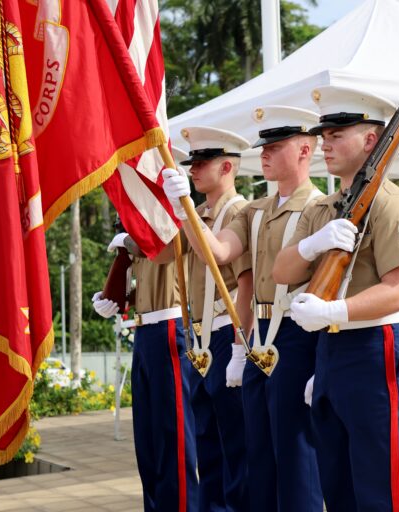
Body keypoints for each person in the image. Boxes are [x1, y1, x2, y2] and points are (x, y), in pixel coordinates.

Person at [161, 106, 327, 512]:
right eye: (264, 146)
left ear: (305, 149)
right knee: (260, 460)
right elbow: (218, 254)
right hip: (258, 342)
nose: (265, 153)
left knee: (296, 460)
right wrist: (184, 205)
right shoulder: (255, 211)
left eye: (276, 145)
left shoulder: (321, 207)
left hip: (299, 335)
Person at [273, 85, 399, 512]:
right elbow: (282, 271)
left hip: (376, 348)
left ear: (372, 140)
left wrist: (334, 311)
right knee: (336, 487)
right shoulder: (322, 209)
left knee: (379, 490)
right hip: (332, 349)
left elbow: (398, 291)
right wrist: (311, 246)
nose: (326, 142)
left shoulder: (391, 205)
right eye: (324, 134)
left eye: (338, 133)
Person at [155, 126, 253, 511]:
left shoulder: (241, 211)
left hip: (226, 333)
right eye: (191, 162)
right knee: (208, 448)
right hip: (199, 339)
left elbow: (235, 273)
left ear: (226, 166)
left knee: (236, 450)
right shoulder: (201, 214)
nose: (193, 170)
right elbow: (166, 256)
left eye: (202, 162)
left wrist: (237, 349)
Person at [92, 176, 198, 510]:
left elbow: (166, 254)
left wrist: (130, 239)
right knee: (149, 441)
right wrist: (117, 296)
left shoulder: (174, 218)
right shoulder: (141, 224)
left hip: (170, 328)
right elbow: (147, 279)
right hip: (146, 330)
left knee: (174, 438)